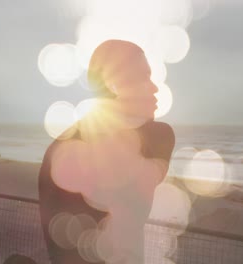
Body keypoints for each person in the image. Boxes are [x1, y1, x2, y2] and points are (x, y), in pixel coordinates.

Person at [38, 39, 175, 264]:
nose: (154, 87)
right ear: (113, 84)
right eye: (143, 77)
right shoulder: (68, 153)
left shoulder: (61, 146)